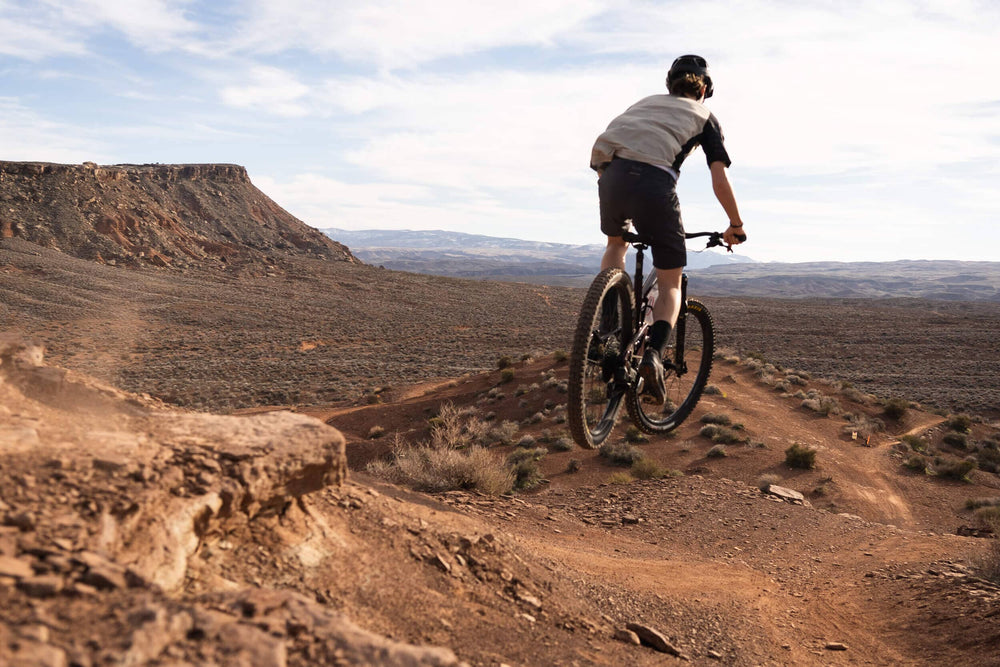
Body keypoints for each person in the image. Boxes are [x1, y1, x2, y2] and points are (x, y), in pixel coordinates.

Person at [590, 54, 746, 404]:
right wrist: (735, 225)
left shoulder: (643, 104)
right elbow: (719, 178)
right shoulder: (705, 117)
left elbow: (603, 147)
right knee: (670, 281)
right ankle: (655, 356)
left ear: (669, 84)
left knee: (616, 244)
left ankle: (607, 330)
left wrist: (615, 185)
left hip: (611, 177)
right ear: (704, 88)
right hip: (655, 185)